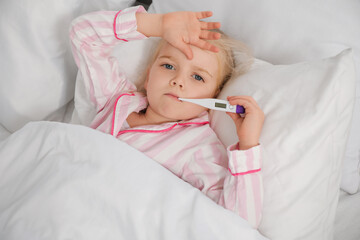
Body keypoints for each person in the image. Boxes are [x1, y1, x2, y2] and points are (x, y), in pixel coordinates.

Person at [69, 5, 265, 228]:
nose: (178, 80)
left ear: (214, 96)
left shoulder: (199, 149)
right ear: (149, 75)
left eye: (198, 77)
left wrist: (248, 145)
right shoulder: (115, 98)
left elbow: (238, 225)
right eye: (169, 65)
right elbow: (83, 35)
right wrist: (157, 25)